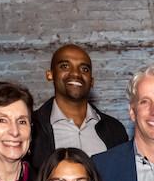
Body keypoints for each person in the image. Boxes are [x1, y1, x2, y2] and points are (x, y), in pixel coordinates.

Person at [29, 44, 128, 172]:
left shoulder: (115, 130)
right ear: (50, 74)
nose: (76, 73)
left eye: (84, 69)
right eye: (65, 66)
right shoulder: (32, 128)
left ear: (92, 81)